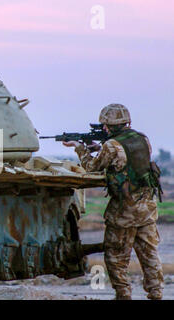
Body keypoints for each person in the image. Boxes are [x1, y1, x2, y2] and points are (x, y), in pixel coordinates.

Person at [63, 104, 164, 300]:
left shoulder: (111, 145)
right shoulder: (143, 139)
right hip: (147, 209)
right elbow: (127, 159)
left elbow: (92, 167)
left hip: (124, 212)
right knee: (150, 256)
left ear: (108, 126)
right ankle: (156, 293)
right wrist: (99, 148)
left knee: (116, 257)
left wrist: (80, 148)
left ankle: (123, 294)